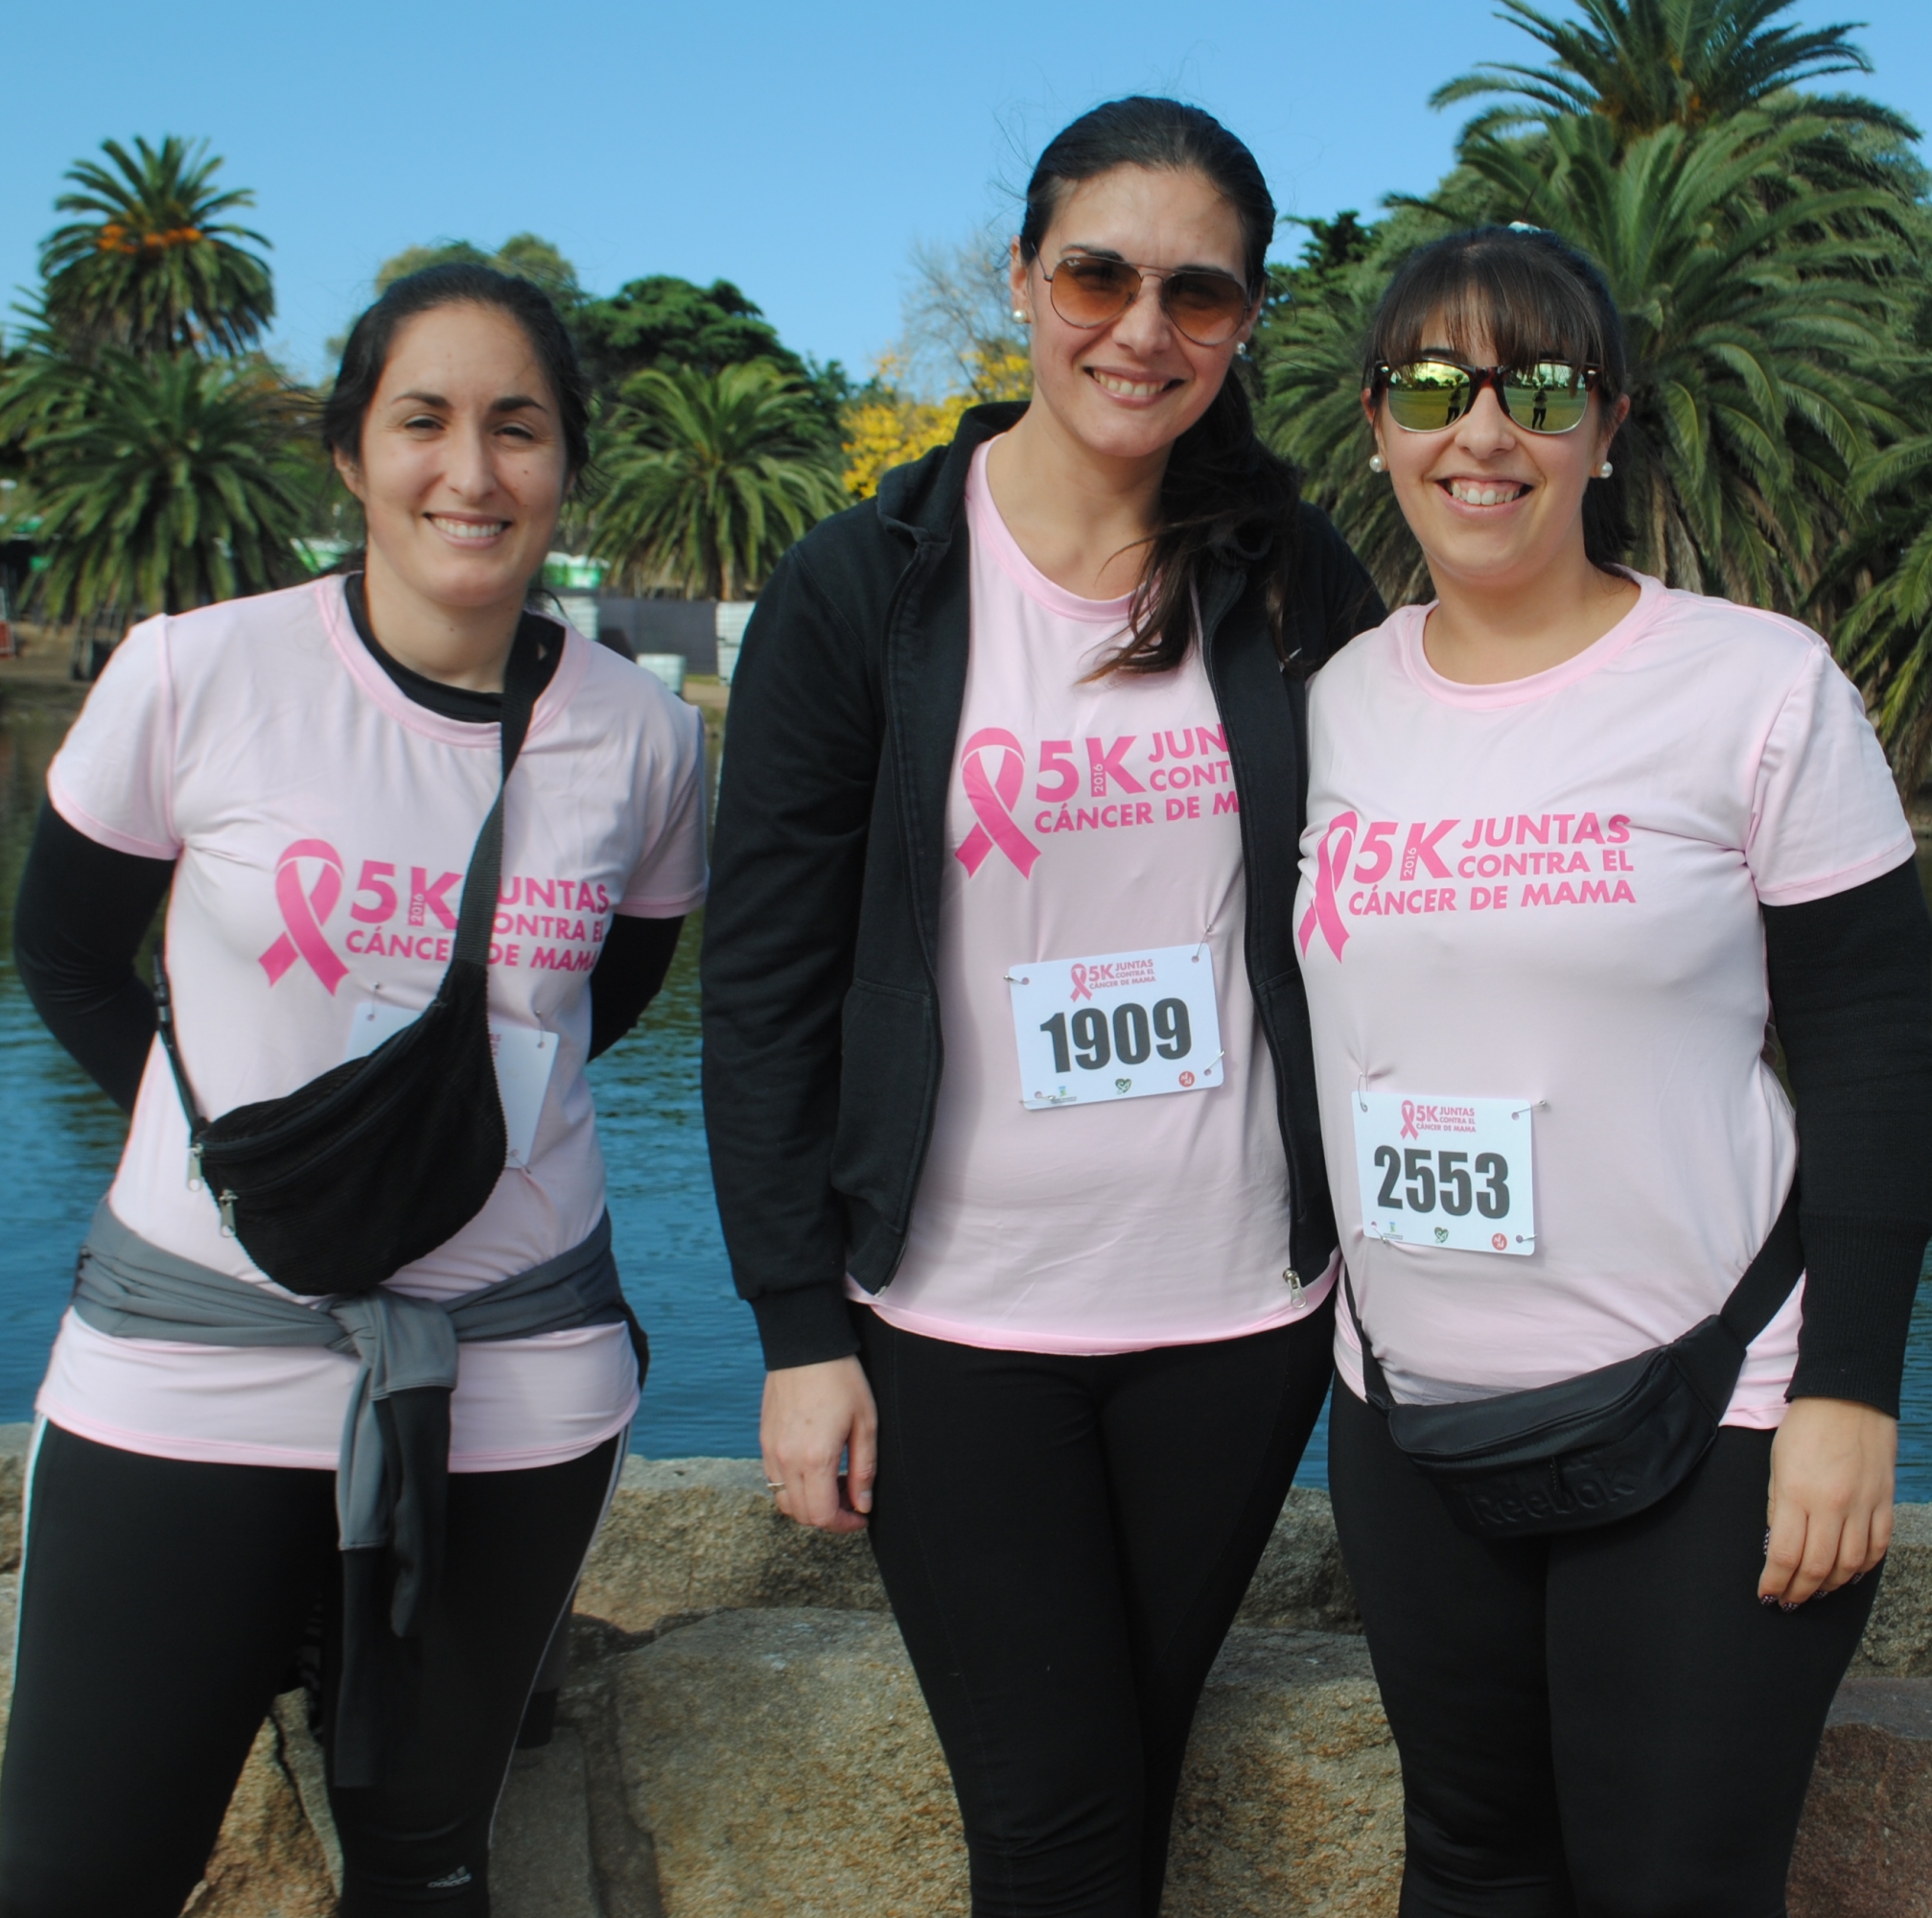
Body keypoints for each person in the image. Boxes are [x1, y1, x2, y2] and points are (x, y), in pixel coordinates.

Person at [704, 96, 1384, 1917]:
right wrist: (795, 1326)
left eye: (1197, 293)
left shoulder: (1286, 574)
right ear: (1021, 279)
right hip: (953, 1317)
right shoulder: (866, 586)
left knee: (1122, 1773)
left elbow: (1412, 856)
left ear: (1244, 322)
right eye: (1097, 275)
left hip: (1238, 1311)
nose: (1140, 329)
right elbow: (763, 984)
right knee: (1056, 1813)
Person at [0, 263, 708, 1918]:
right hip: (192, 1358)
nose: (472, 470)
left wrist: (425, 1159)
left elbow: (601, 1001)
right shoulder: (196, 675)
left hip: (512, 1377)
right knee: (84, 1876)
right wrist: (249, 1162)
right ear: (350, 454)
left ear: (567, 461)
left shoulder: (645, 740)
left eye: (518, 427)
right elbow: (66, 957)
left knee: (421, 1867)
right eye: (423, 420)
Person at [1294, 224, 1932, 1915]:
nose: (1482, 432)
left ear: (1608, 424)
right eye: (1432, 387)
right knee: (1470, 1868)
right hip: (1410, 1415)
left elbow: (1877, 1056)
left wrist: (1851, 1394)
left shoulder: (1756, 686)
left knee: (1674, 1886)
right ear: (1377, 424)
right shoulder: (1338, 704)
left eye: (1539, 388)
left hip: (1714, 1407)